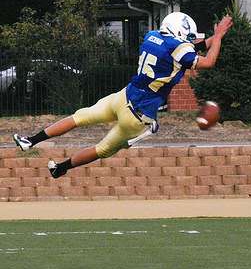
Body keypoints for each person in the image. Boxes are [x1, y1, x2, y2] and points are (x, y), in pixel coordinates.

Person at [13, 12, 233, 178]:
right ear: (179, 32)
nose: (188, 40)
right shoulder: (179, 49)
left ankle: (30, 141)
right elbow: (208, 61)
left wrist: (214, 37)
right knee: (102, 149)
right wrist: (220, 36)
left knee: (79, 117)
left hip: (123, 96)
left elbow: (191, 47)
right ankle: (62, 168)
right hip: (137, 116)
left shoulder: (152, 36)